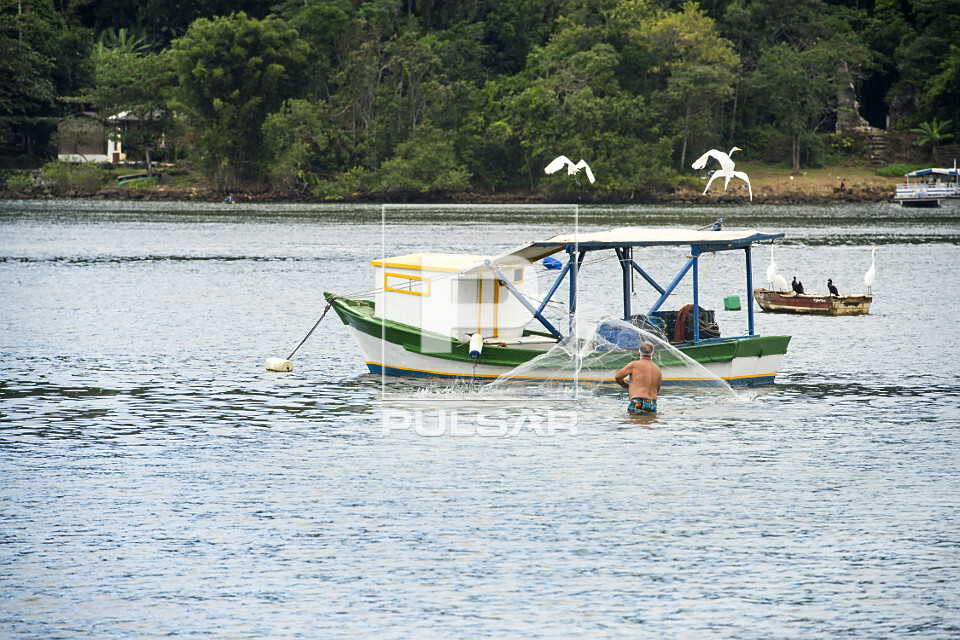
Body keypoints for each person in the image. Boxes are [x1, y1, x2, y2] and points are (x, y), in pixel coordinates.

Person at [615, 341, 662, 414]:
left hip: (638, 401)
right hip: (652, 403)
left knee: (634, 424)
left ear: (639, 353)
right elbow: (657, 389)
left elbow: (618, 376)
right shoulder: (658, 369)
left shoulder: (634, 365)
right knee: (649, 424)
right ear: (652, 354)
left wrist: (625, 385)